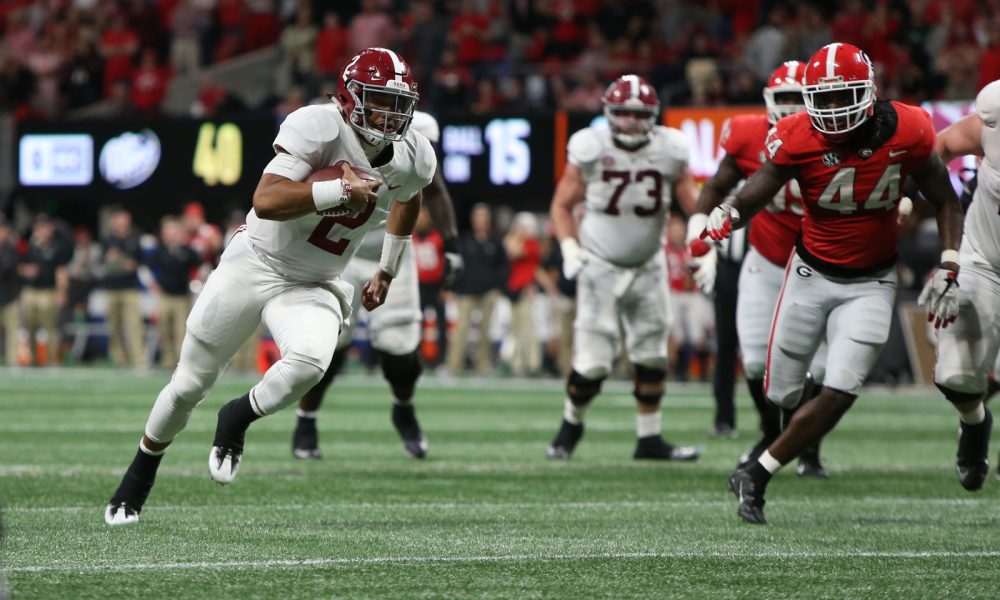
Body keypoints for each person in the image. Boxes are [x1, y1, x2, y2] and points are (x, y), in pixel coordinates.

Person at [105, 47, 435, 525]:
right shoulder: (317, 126)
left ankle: (236, 418)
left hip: (316, 279)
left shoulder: (412, 155)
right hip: (255, 261)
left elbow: (409, 196)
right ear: (349, 99)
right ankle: (138, 477)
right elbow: (266, 200)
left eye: (397, 104)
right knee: (188, 384)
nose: (390, 114)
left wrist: (387, 266)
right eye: (378, 100)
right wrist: (336, 192)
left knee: (310, 364)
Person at [705, 44, 964, 524]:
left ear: (868, 92)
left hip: (873, 279)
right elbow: (759, 187)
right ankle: (784, 442)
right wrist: (728, 214)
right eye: (820, 100)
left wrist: (949, 262)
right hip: (808, 275)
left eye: (842, 96)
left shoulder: (910, 128)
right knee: (781, 392)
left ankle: (757, 475)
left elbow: (947, 199)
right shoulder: (795, 134)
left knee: (841, 388)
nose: (831, 109)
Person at [546, 74, 702, 461]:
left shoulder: (670, 148)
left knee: (652, 355)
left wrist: (706, 245)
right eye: (625, 114)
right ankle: (569, 428)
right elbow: (561, 206)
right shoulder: (590, 147)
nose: (632, 122)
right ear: (610, 114)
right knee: (594, 364)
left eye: (639, 114)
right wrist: (568, 246)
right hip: (600, 266)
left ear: (652, 116)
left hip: (649, 266)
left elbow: (694, 204)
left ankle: (649, 439)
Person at [291, 109, 462, 460]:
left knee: (400, 347)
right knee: (329, 343)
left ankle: (404, 406)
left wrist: (452, 244)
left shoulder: (415, 140)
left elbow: (435, 191)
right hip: (340, 249)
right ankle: (305, 421)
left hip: (391, 246)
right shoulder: (329, 129)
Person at [688, 61, 829, 477]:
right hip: (765, 259)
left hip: (820, 263)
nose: (788, 107)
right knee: (752, 362)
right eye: (781, 98)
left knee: (817, 368)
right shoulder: (749, 133)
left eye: (796, 98)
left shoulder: (833, 136)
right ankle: (770, 433)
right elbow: (716, 184)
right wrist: (699, 225)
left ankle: (808, 448)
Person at [925, 78, 1000, 491]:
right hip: (985, 258)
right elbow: (942, 147)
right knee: (955, 375)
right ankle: (975, 423)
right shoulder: (995, 116)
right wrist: (913, 198)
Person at [445, 204, 508, 376]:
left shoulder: (495, 242)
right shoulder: (465, 240)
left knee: (485, 330)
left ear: (488, 220)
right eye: (478, 217)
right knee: (461, 330)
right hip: (467, 291)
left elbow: (504, 267)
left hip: (489, 292)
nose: (481, 221)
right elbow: (455, 265)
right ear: (473, 220)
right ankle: (453, 367)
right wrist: (452, 287)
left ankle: (482, 368)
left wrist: (497, 286)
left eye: (484, 218)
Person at [149, 217, 201, 369]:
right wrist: (154, 285)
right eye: (167, 230)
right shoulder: (160, 250)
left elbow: (201, 266)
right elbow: (146, 268)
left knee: (181, 331)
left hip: (182, 297)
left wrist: (195, 284)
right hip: (165, 296)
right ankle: (168, 360)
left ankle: (182, 362)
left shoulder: (187, 250)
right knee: (164, 329)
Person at [100, 206, 146, 368]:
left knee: (133, 325)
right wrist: (122, 262)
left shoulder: (134, 239)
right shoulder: (108, 240)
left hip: (129, 289)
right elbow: (107, 263)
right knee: (114, 326)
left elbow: (135, 264)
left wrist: (118, 260)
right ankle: (119, 359)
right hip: (112, 288)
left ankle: (138, 359)